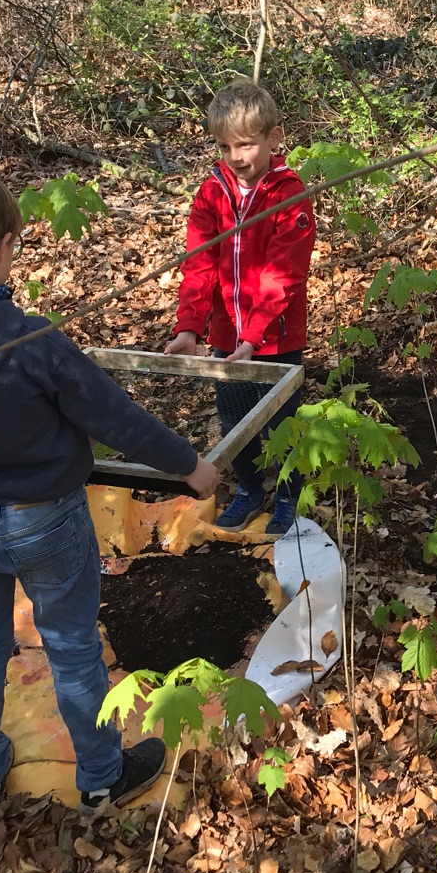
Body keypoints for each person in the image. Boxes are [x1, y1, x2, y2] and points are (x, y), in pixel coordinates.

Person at [0, 166, 219, 813]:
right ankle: (100, 773)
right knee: (70, 648)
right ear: (7, 245)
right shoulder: (28, 338)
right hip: (41, 521)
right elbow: (114, 416)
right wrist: (190, 467)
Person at [165, 79, 316, 537]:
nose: (236, 156)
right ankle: (250, 490)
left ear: (273, 138)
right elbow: (199, 263)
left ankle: (289, 494)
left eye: (246, 144)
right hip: (226, 339)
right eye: (225, 146)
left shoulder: (290, 197)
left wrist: (255, 335)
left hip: (275, 338)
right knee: (236, 423)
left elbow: (283, 274)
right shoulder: (212, 193)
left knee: (283, 423)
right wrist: (190, 327)